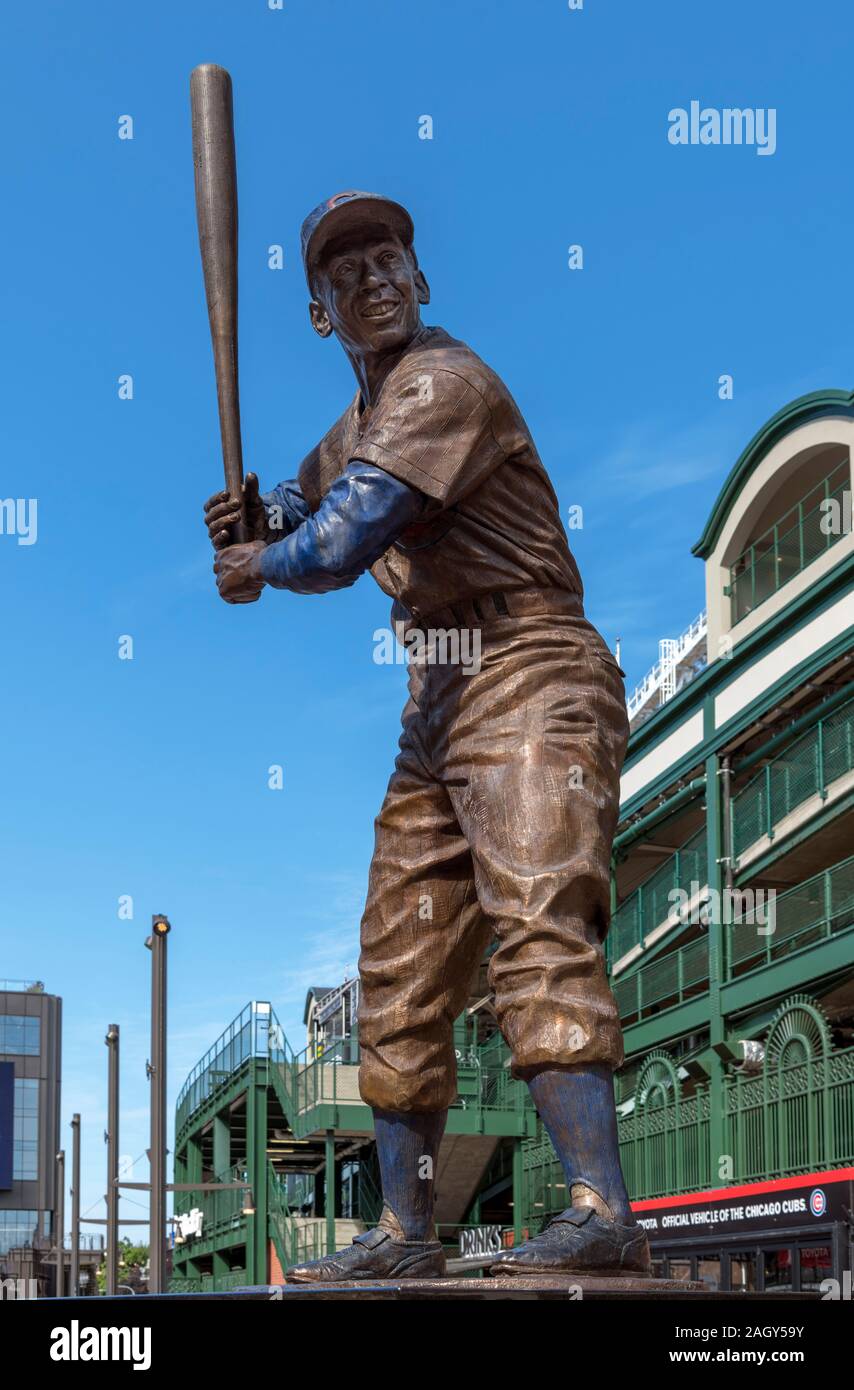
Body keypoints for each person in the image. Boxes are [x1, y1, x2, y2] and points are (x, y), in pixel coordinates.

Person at [203, 191, 649, 1280]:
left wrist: (262, 563)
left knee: (537, 920)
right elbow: (299, 508)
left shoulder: (444, 384)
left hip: (529, 665)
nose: (375, 277)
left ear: (421, 279)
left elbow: (340, 539)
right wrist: (248, 521)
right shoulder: (351, 431)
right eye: (346, 270)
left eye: (389, 256)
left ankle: (600, 1212)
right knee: (396, 965)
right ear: (320, 315)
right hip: (435, 697)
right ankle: (408, 1230)